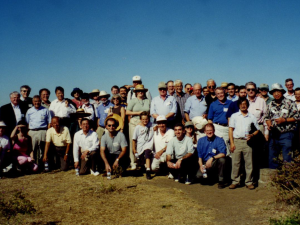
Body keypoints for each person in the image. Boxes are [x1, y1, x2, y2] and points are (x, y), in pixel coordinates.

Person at [265, 83, 299, 169]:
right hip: (274, 135)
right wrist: (269, 125)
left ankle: (287, 179)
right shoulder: (270, 104)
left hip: (286, 134)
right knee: (272, 157)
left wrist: (285, 120)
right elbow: (267, 117)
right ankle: (273, 179)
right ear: (272, 93)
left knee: (287, 157)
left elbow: (297, 117)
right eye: (274, 92)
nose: (276, 94)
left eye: (278, 92)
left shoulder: (290, 103)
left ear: (282, 92)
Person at [229, 98, 260, 190]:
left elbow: (257, 129)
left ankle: (249, 182)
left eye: (245, 104)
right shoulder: (234, 116)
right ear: (239, 105)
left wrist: (252, 134)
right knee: (236, 163)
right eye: (241, 104)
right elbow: (230, 130)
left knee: (249, 163)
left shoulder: (252, 116)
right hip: (237, 141)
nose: (243, 105)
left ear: (247, 105)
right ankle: (235, 181)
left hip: (248, 142)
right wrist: (232, 143)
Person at [126, 84, 151, 170]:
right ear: (136, 92)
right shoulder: (133, 101)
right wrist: (138, 113)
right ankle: (133, 162)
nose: (140, 92)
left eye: (142, 91)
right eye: (138, 91)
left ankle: (143, 161)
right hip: (135, 122)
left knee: (145, 141)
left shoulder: (148, 101)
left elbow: (150, 111)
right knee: (133, 141)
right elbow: (127, 112)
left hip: (145, 122)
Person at [196, 123, 226, 189]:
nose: (209, 132)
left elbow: (223, 153)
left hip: (215, 162)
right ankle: (212, 177)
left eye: (211, 130)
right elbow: (200, 156)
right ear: (204, 132)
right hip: (204, 163)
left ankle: (221, 180)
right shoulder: (201, 141)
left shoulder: (219, 140)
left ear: (214, 131)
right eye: (207, 130)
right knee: (199, 176)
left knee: (222, 160)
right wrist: (201, 166)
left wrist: (212, 158)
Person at [26, 95, 51, 167]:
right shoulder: (29, 111)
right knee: (32, 148)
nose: (37, 103)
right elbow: (27, 122)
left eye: (38, 101)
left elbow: (49, 122)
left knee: (42, 149)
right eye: (35, 101)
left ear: (41, 101)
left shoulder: (45, 110)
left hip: (42, 131)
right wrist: (28, 132)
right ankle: (33, 165)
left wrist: (47, 132)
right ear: (33, 102)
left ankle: (43, 164)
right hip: (32, 132)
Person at [208, 87, 232, 154]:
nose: (220, 95)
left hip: (228, 128)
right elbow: (210, 119)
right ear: (216, 95)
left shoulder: (231, 103)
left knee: (228, 147)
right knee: (218, 146)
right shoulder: (213, 104)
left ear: (225, 93)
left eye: (221, 93)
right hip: (217, 127)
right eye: (218, 94)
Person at [132, 112, 154, 179]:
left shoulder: (151, 125)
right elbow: (134, 139)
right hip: (140, 145)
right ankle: (142, 166)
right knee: (141, 159)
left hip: (148, 144)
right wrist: (134, 149)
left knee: (147, 153)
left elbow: (157, 126)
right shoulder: (138, 127)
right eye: (143, 119)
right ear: (140, 119)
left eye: (146, 119)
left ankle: (148, 171)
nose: (145, 121)